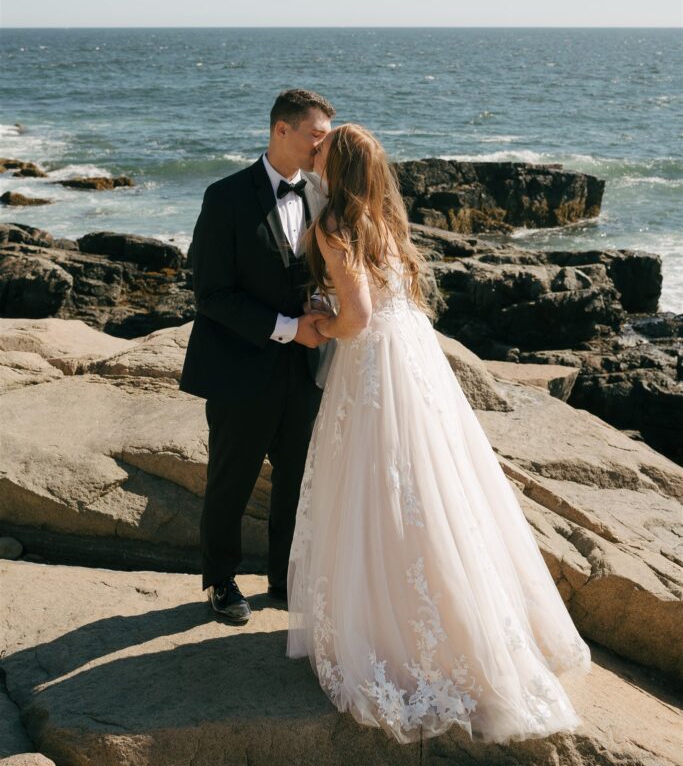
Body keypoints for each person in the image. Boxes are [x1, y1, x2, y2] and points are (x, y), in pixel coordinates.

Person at [286, 123, 592, 745]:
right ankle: (457, 619)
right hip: (414, 359)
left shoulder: (334, 226)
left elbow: (360, 316)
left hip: (373, 362)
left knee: (378, 485)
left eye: (322, 150)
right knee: (431, 484)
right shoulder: (383, 221)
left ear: (338, 165)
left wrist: (319, 325)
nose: (312, 153)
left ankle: (385, 625)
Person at [179, 88, 335, 623]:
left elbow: (320, 274)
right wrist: (291, 328)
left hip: (304, 369)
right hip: (239, 365)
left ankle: (284, 578)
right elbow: (212, 295)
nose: (324, 145)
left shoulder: (320, 193)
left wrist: (323, 309)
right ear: (281, 131)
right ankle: (220, 581)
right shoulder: (224, 197)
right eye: (317, 135)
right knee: (231, 478)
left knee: (296, 478)